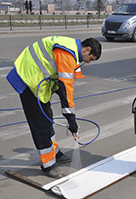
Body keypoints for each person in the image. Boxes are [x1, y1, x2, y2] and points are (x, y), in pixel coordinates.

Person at [6, 36, 102, 178]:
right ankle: (49, 165)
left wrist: (69, 116)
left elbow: (60, 82)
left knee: (47, 119)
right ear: (87, 49)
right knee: (41, 125)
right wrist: (71, 120)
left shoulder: (70, 50)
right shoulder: (67, 53)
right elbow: (65, 88)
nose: (88, 62)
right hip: (28, 81)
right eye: (90, 58)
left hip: (37, 82)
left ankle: (55, 154)